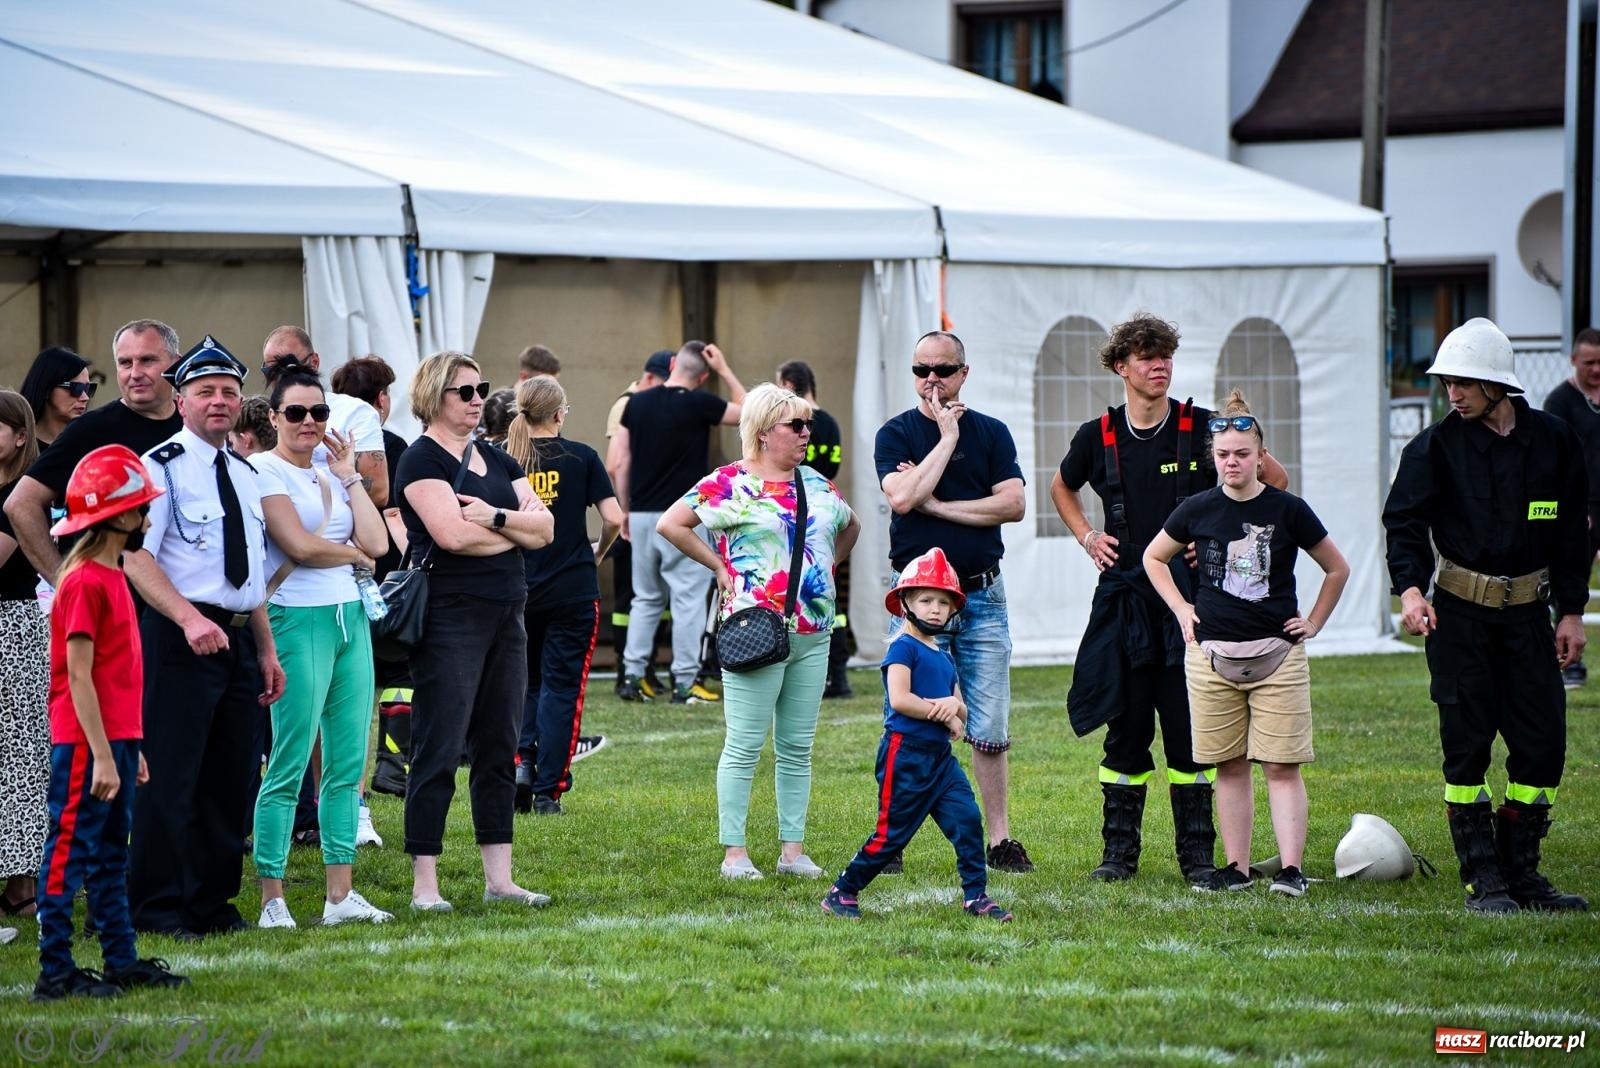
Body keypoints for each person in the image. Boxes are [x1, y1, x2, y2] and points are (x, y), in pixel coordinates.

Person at [1052, 313, 1288, 885]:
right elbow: (1062, 485)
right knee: (1126, 728)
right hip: (1125, 599)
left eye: (1166, 356)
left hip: (1192, 601)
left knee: (1189, 730)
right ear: (1120, 367)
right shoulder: (1097, 434)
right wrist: (1087, 535)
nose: (1159, 366)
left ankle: (1199, 859)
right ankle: (1118, 856)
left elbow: (1273, 481)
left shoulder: (1203, 427)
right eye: (1146, 357)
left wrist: (1218, 536)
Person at [1384, 317, 1590, 914]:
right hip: (1459, 620)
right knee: (1467, 748)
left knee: (1542, 747)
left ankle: (1521, 874)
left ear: (1499, 384)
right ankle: (1483, 879)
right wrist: (1410, 592)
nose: (1453, 393)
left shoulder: (1554, 441)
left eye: (1464, 382)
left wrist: (1571, 612)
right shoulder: (1433, 447)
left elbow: (1573, 536)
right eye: (1447, 382)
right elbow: (1403, 524)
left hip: (1529, 618)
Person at [1143, 393, 1349, 896]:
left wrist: (1314, 623)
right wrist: (1182, 609)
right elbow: (1153, 558)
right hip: (1212, 658)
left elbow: (1336, 568)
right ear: (1212, 457)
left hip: (1278, 656)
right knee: (1228, 766)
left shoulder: (1288, 509)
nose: (1231, 462)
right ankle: (1235, 868)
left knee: (1281, 765)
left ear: (1261, 456)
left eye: (1241, 453)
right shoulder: (1196, 509)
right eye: (1222, 454)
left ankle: (1292, 871)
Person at [659, 384, 859, 879]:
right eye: (797, 425)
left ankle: (793, 852)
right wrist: (720, 568)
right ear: (765, 432)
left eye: (807, 424)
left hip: (814, 634)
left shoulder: (817, 484)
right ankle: (735, 853)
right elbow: (672, 524)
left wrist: (821, 572)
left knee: (797, 747)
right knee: (744, 743)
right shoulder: (729, 483)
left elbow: (850, 526)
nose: (806, 433)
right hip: (755, 631)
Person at [122, 337, 286, 939]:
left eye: (228, 392)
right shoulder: (158, 466)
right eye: (204, 392)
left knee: (229, 779)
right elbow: (135, 558)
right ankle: (158, 910)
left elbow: (251, 574)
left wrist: (264, 649)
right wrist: (189, 620)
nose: (218, 402)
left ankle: (211, 905)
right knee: (170, 778)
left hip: (238, 639)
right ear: (181, 401)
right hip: (179, 635)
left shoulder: (245, 472)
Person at [393, 351, 553, 911]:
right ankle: (425, 886)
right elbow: (451, 537)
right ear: (435, 397)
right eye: (465, 390)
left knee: (499, 745)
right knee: (438, 746)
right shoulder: (419, 461)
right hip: (449, 619)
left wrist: (496, 517)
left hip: (508, 613)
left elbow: (549, 528)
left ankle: (500, 881)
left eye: (480, 387)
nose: (478, 398)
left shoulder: (496, 458)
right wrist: (515, 530)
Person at [34, 444, 187, 1000]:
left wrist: (130, 746)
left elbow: (116, 677)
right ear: (119, 516)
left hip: (115, 741)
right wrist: (101, 751)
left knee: (108, 855)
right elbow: (78, 679)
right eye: (142, 509)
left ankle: (121, 961)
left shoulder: (115, 574)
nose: (148, 519)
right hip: (84, 744)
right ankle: (55, 972)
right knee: (68, 852)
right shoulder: (84, 582)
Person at [874, 330, 1032, 873]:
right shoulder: (895, 433)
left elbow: (1012, 505)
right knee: (906, 718)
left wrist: (936, 507)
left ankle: (1000, 840)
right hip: (917, 603)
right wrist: (944, 438)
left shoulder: (992, 433)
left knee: (989, 723)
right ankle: (889, 840)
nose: (932, 380)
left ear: (965, 373)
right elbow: (901, 496)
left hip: (983, 593)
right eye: (921, 371)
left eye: (943, 369)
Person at [252, 372, 393, 928]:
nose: (309, 422)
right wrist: (351, 555)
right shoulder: (263, 469)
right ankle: (272, 898)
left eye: (318, 412)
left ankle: (340, 895)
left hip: (348, 619)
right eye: (296, 413)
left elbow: (380, 543)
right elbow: (299, 546)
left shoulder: (328, 473)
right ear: (274, 418)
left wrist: (350, 477)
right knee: (287, 760)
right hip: (294, 619)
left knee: (345, 764)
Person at [820, 548, 1011, 922]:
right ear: (905, 601)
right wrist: (939, 707)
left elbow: (962, 710)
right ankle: (843, 890)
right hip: (904, 756)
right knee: (891, 836)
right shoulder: (902, 648)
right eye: (926, 600)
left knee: (968, 821)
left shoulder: (943, 655)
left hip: (941, 761)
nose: (935, 609)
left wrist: (953, 715)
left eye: (943, 602)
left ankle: (976, 896)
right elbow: (901, 700)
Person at [503, 376, 621, 816]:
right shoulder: (582, 457)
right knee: (562, 688)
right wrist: (598, 553)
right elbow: (613, 517)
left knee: (522, 683)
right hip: (572, 589)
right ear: (558, 413)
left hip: (518, 589)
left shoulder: (504, 458)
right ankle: (549, 790)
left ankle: (521, 763)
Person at [613, 341, 747, 704]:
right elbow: (752, 412)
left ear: (672, 364)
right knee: (688, 598)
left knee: (645, 598)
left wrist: (624, 509)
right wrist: (724, 369)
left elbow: (619, 462)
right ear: (702, 376)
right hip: (683, 517)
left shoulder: (635, 403)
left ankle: (633, 675)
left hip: (640, 514)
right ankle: (685, 682)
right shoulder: (701, 403)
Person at [4, 319, 184, 586]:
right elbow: (20, 504)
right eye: (125, 363)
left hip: (184, 605)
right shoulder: (90, 429)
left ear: (176, 363)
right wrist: (65, 583)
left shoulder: (191, 427)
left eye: (147, 360)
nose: (135, 372)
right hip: (111, 609)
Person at [329, 356, 413, 798]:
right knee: (398, 672)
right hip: (387, 575)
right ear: (381, 399)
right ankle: (392, 763)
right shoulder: (395, 447)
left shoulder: (314, 444)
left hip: (334, 573)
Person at [777, 359, 855, 699]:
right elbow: (833, 466)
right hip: (825, 511)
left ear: (791, 384)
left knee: (793, 591)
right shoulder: (832, 424)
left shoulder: (793, 424)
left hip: (794, 514)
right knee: (827, 595)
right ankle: (837, 675)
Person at [0, 391, 46, 920]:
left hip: (12, 629)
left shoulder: (18, 495)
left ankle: (21, 883)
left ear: (19, 435)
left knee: (20, 759)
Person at [603, 349, 673, 697]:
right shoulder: (628, 405)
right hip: (632, 514)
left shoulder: (645, 404)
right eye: (664, 382)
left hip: (638, 511)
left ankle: (643, 667)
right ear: (649, 378)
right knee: (632, 597)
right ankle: (626, 668)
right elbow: (616, 464)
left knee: (650, 596)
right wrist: (623, 510)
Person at [260, 326, 388, 509]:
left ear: (314, 362)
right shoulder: (262, 412)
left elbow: (378, 491)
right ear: (274, 417)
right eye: (271, 371)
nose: (280, 378)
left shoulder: (353, 411)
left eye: (320, 413)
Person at [1539, 327, 1600, 690]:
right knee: (1569, 582)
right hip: (1582, 506)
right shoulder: (1559, 403)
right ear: (1574, 360)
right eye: (1589, 363)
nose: (1596, 370)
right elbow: (1552, 463)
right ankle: (1568, 660)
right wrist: (1573, 509)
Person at [18, 346, 93, 449]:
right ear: (47, 389)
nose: (85, 397)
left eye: (88, 388)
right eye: (76, 388)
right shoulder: (17, 445)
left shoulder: (91, 444)